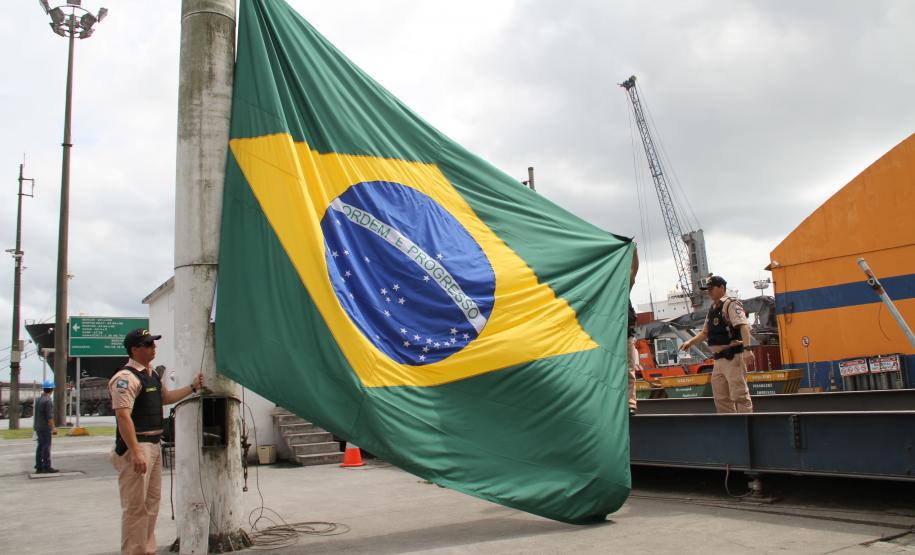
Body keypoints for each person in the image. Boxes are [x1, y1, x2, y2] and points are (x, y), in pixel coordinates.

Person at [108, 329, 204, 555]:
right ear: (134, 349)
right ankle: (134, 551)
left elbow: (166, 398)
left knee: (151, 503)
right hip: (137, 447)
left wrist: (192, 388)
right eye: (148, 344)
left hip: (153, 444)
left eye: (153, 343)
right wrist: (136, 452)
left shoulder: (151, 376)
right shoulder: (125, 378)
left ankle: (146, 549)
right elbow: (123, 416)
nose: (153, 347)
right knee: (135, 507)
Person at [679, 276, 754, 413]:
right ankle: (730, 428)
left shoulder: (731, 304)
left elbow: (743, 326)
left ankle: (746, 428)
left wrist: (748, 349)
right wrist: (690, 342)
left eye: (711, 288)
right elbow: (704, 333)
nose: (708, 292)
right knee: (721, 398)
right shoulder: (713, 308)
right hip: (718, 359)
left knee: (739, 395)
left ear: (721, 287)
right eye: (707, 289)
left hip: (733, 356)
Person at [626, 245, 641, 416]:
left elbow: (633, 270)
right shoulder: (603, 290)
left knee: (629, 370)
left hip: (624, 335)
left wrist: (634, 253)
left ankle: (631, 404)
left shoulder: (623, 287)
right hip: (610, 336)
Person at [33, 379, 58, 474]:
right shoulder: (48, 401)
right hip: (45, 428)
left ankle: (39, 466)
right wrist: (53, 428)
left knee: (40, 446)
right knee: (46, 447)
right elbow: (49, 417)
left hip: (38, 426)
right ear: (51, 389)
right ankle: (47, 466)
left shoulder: (39, 399)